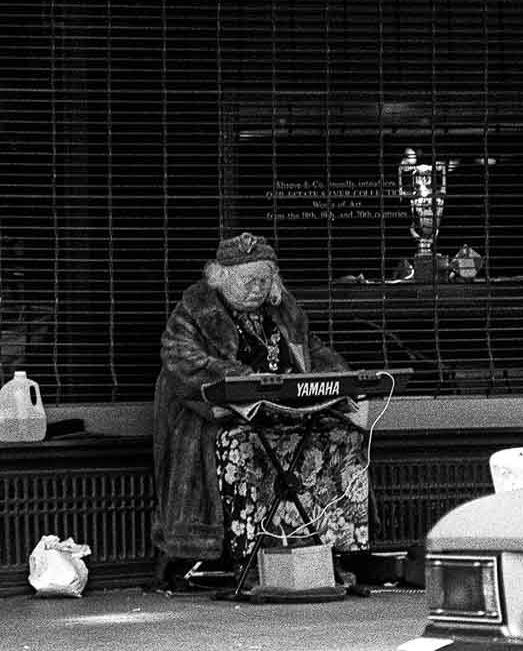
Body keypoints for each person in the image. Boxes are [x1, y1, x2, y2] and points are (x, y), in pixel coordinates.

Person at [151, 233, 371, 591]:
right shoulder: (195, 309)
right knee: (243, 446)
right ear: (222, 279)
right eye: (246, 281)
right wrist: (242, 377)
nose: (256, 289)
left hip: (279, 412)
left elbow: (313, 351)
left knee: (342, 437)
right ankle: (252, 558)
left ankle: (324, 549)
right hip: (214, 416)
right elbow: (180, 359)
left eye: (263, 280)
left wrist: (344, 377)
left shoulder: (283, 309)